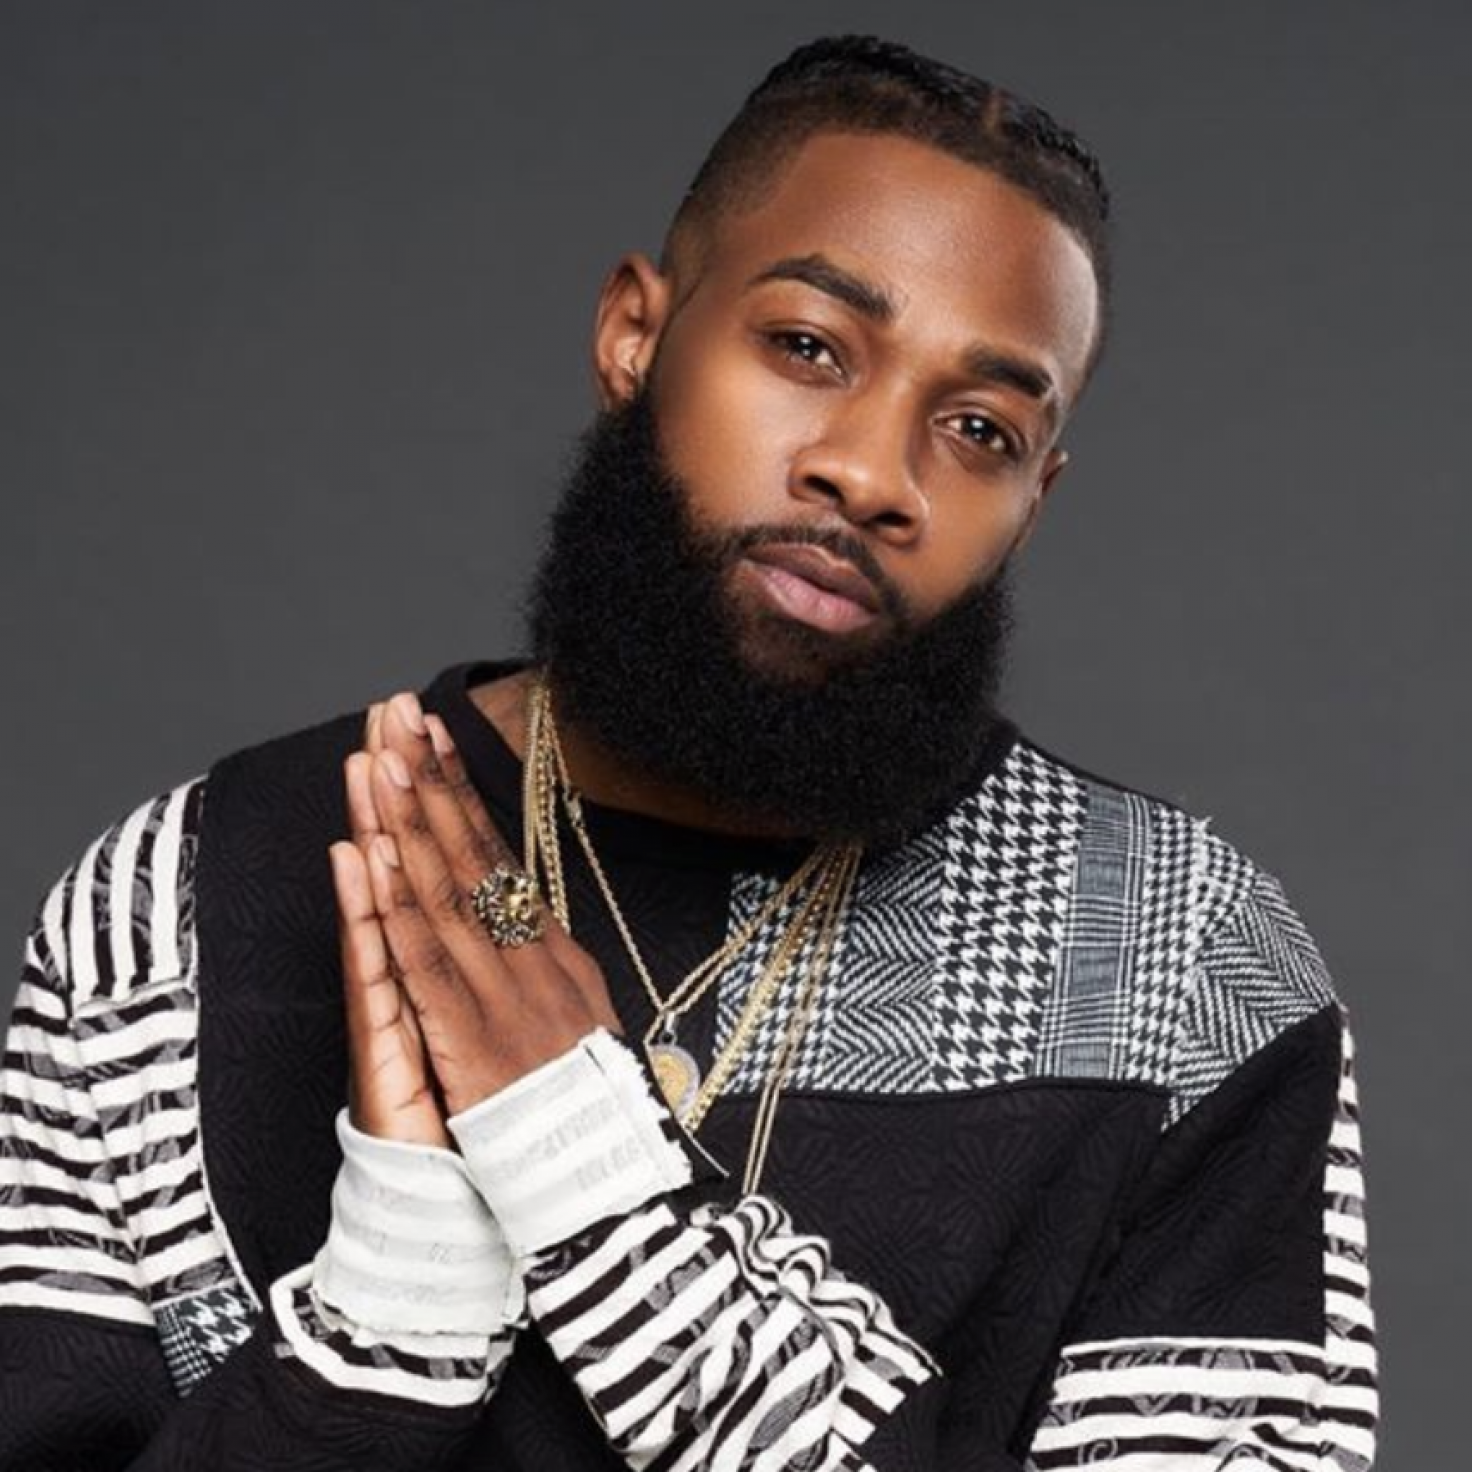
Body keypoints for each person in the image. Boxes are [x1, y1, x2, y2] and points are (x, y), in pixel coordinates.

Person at [0, 33, 1376, 1472]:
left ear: (1033, 502)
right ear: (633, 336)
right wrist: (385, 1322)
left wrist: (596, 1185)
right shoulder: (175, 908)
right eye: (808, 348)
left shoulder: (1185, 969)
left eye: (980, 428)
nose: (871, 471)